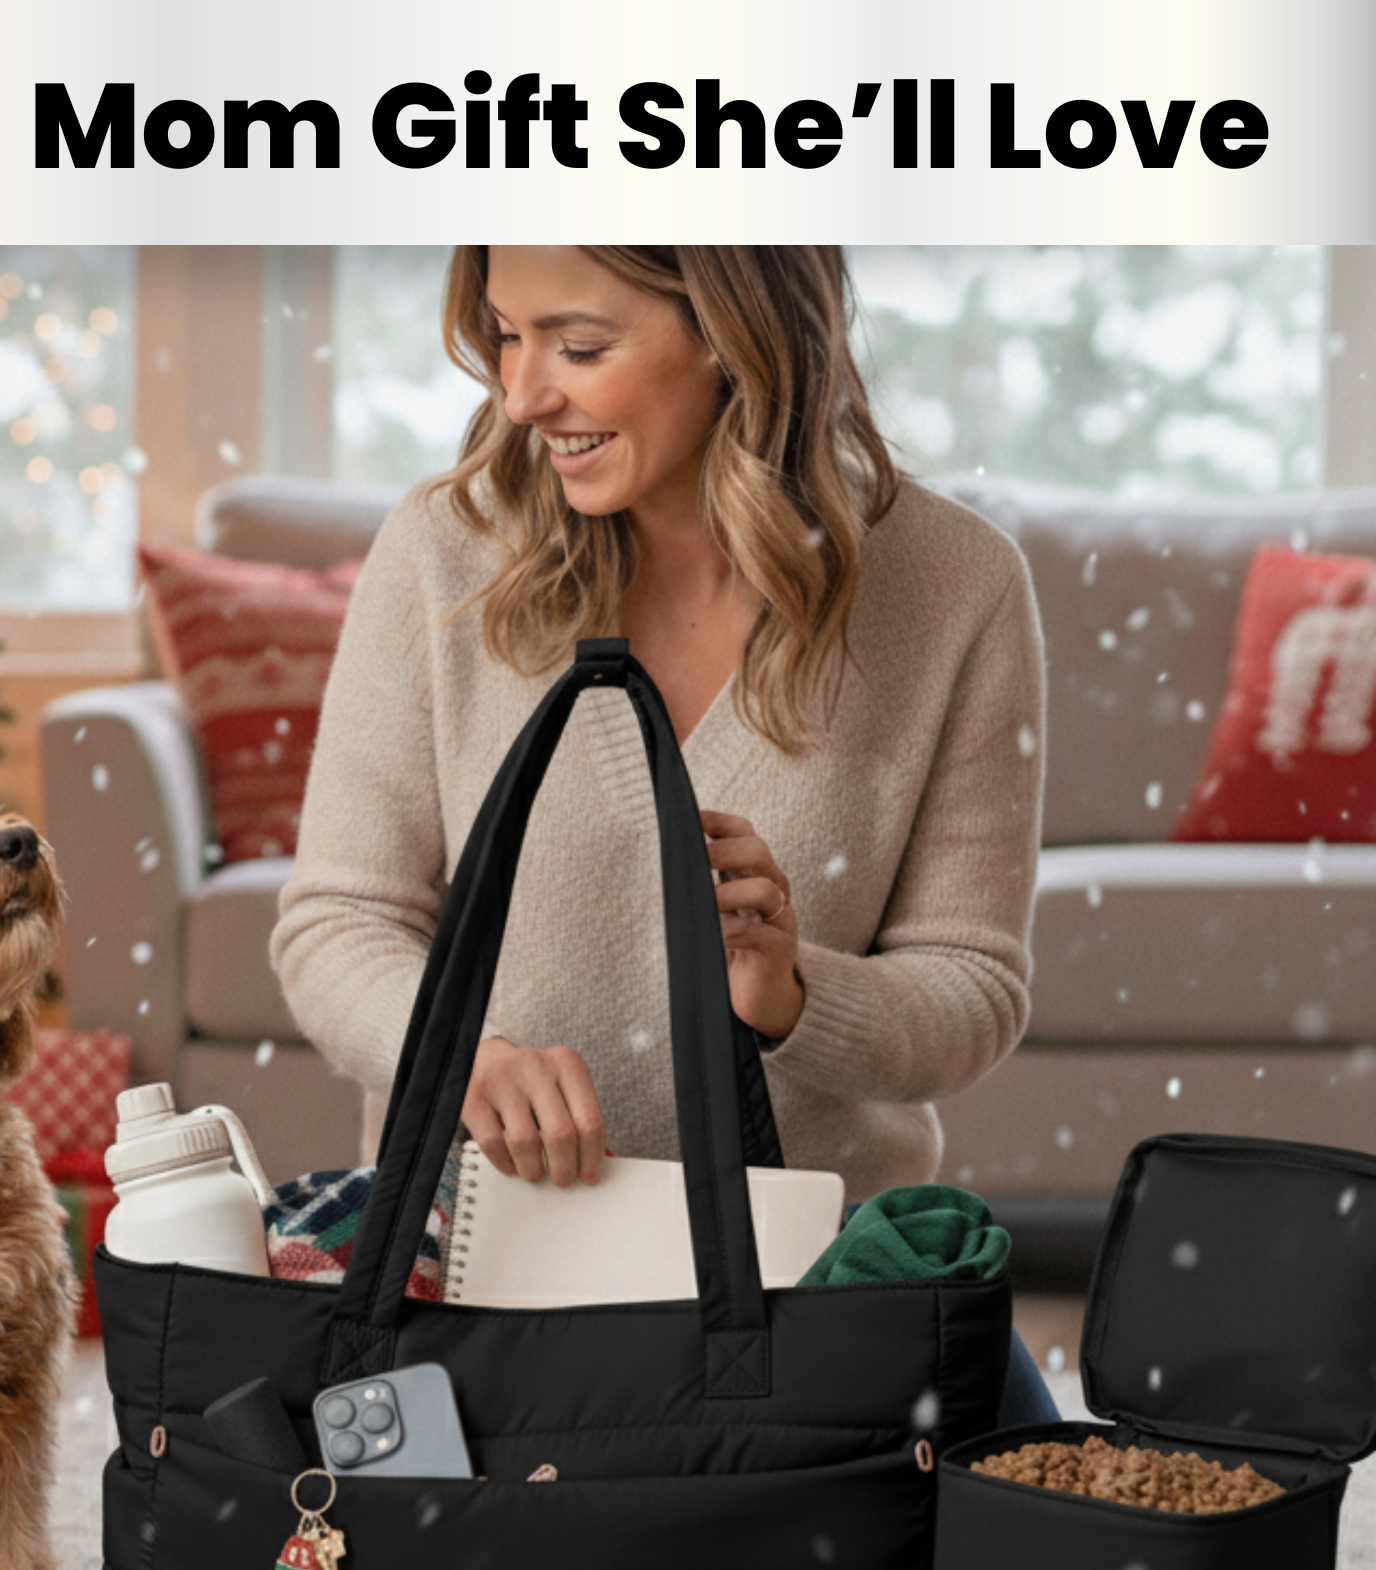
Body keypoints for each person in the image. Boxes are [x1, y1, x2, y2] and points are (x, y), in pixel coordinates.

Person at [270, 245, 1056, 1425]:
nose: (523, 393)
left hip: (811, 1280)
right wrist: (461, 1050)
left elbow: (971, 987)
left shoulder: (954, 584)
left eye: (578, 347)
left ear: (735, 335)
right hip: (486, 1277)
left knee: (1050, 1559)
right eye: (503, 335)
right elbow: (336, 920)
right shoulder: (442, 546)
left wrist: (793, 996)